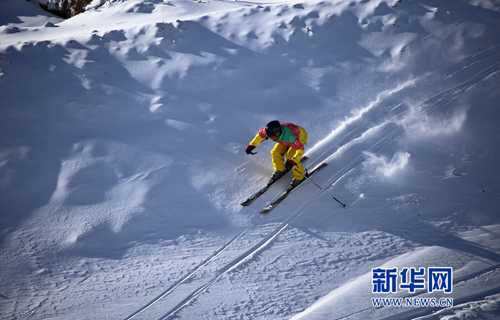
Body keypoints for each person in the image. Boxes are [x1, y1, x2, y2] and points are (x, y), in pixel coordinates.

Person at [245, 120, 308, 191]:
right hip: (283, 140)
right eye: (270, 138)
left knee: (290, 155)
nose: (272, 140)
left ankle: (299, 177)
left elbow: (300, 150)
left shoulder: (290, 136)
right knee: (275, 152)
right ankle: (280, 169)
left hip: (299, 138)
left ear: (278, 133)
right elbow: (260, 136)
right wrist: (251, 145)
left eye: (273, 137)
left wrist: (293, 161)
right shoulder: (269, 132)